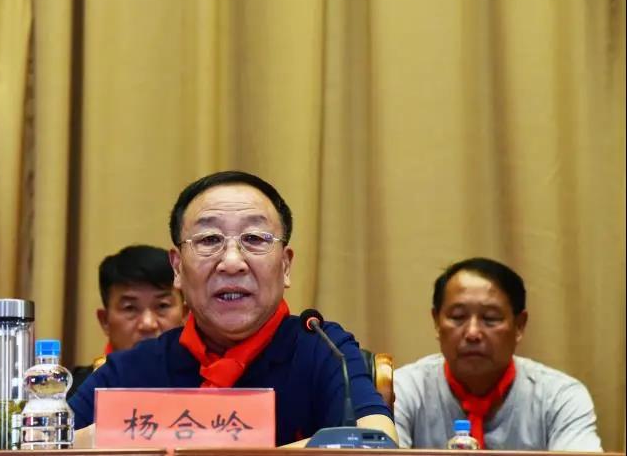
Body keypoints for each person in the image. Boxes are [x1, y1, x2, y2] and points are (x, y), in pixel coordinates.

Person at [69, 171, 396, 447]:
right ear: (178, 268)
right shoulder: (135, 368)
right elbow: (52, 445)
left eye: (254, 238)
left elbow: (376, 441)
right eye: (209, 240)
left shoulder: (324, 349)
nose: (232, 262)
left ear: (285, 266)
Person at [394, 257, 602, 451]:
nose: (473, 333)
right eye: (458, 316)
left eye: (490, 318)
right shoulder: (402, 390)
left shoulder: (559, 397)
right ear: (437, 322)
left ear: (519, 326)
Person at [68, 245, 187, 398]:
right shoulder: (72, 395)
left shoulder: (206, 385)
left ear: (185, 315)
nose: (148, 324)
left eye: (162, 306)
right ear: (105, 321)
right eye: (130, 308)